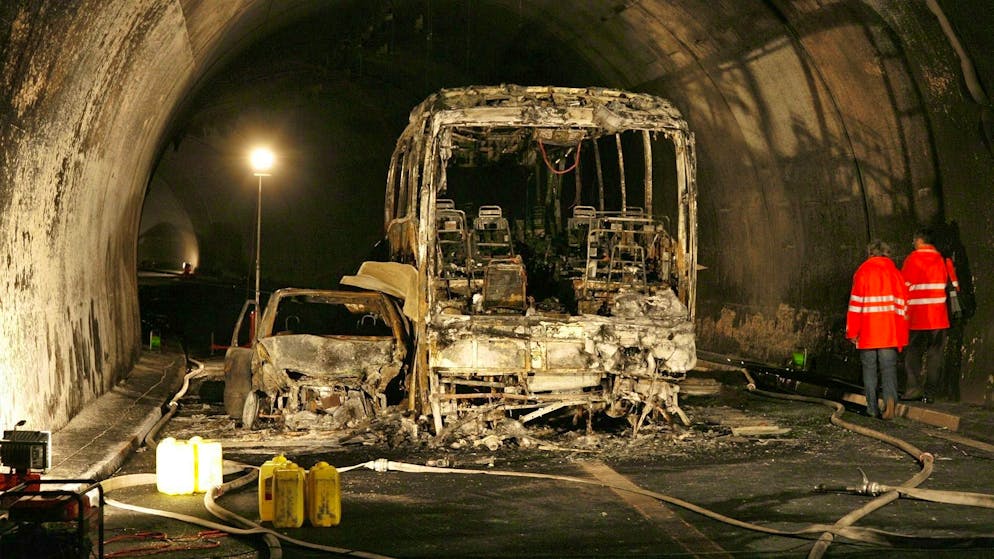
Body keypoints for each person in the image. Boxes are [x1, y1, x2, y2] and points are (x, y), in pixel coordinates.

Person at [846, 240, 908, 419]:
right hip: (889, 333)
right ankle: (890, 401)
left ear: (870, 254)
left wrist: (852, 332)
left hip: (868, 332)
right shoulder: (896, 274)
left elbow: (855, 305)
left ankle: (872, 408)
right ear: (887, 254)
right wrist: (901, 334)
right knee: (888, 369)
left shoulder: (862, 272)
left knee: (869, 369)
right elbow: (904, 307)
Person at [901, 228, 959, 402]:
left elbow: (903, 286)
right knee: (936, 356)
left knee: (913, 353)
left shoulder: (912, 259)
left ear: (919, 241)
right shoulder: (943, 260)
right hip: (938, 317)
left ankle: (913, 390)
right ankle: (931, 393)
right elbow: (955, 287)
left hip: (917, 317)